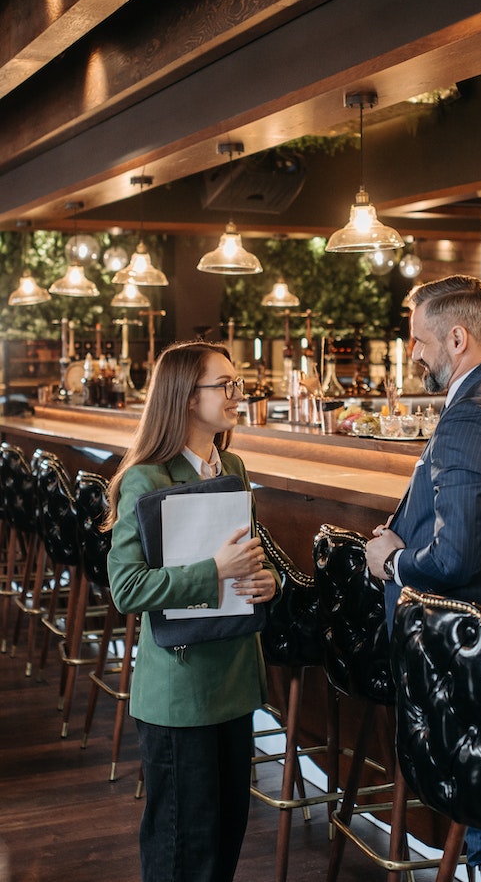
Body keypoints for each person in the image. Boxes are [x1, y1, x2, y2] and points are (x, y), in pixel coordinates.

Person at [365, 275, 481, 882]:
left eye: (419, 340)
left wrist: (393, 561)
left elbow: (454, 559)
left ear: (458, 338)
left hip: (480, 657)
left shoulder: (473, 415)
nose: (413, 353)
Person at [106, 340, 279, 882]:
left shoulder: (233, 465)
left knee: (226, 840)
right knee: (183, 848)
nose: (237, 394)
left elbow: (248, 557)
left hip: (234, 683)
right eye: (224, 385)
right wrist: (215, 570)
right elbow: (126, 588)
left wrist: (265, 580)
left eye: (237, 383)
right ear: (185, 397)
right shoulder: (146, 477)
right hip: (181, 694)